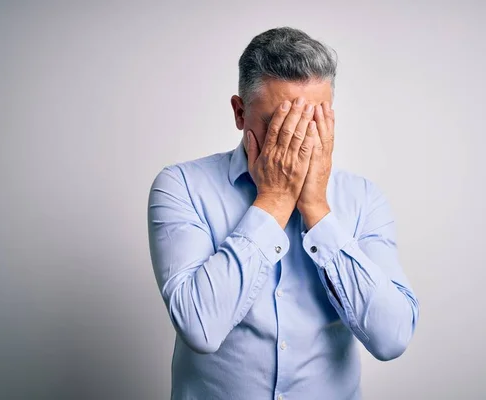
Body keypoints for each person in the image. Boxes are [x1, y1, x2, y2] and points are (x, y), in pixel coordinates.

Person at [147, 26, 420, 400]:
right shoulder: (181, 186)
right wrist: (273, 200)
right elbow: (199, 327)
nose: (296, 138)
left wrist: (318, 211)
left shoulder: (363, 198)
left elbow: (391, 338)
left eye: (311, 121)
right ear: (240, 113)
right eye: (280, 122)